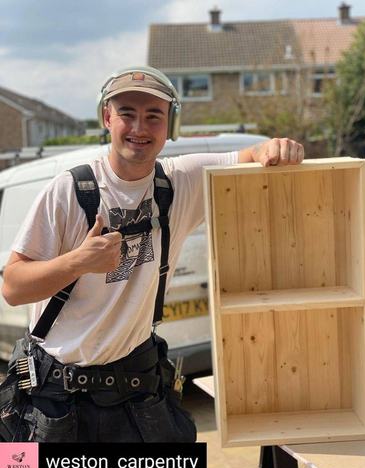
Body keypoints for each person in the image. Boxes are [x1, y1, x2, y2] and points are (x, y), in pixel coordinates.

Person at [0, 66, 304, 443]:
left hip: (137, 396)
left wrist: (275, 148)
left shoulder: (179, 182)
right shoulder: (66, 191)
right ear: (107, 118)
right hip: (53, 404)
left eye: (153, 116)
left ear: (170, 125)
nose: (139, 128)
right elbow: (12, 287)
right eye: (127, 113)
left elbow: (253, 154)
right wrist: (78, 261)